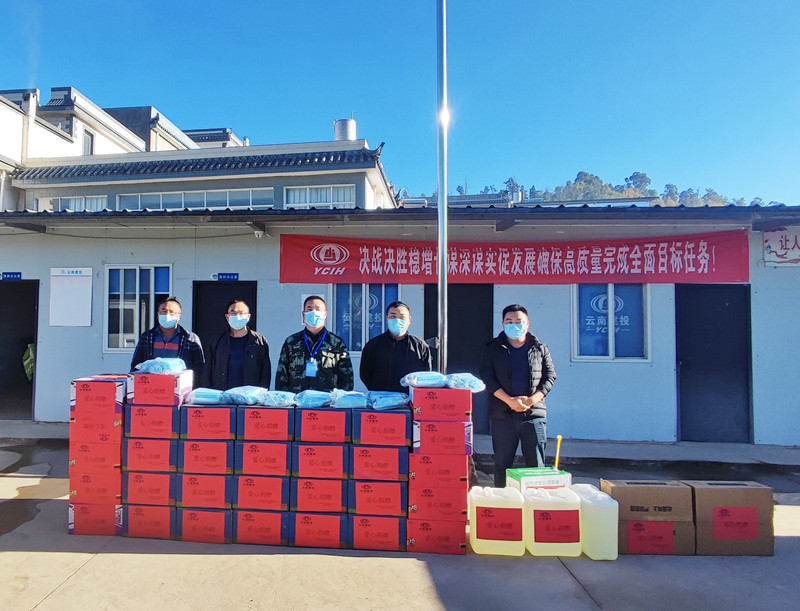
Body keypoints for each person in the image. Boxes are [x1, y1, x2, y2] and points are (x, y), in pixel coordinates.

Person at [479, 304, 556, 488]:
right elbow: (487, 377)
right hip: (503, 414)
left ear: (527, 324)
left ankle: (535, 504)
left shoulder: (540, 348)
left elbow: (550, 376)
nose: (514, 325)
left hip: (534, 415)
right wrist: (509, 401)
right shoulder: (493, 348)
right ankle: (503, 507)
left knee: (536, 466)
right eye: (509, 321)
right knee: (502, 465)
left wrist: (532, 400)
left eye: (518, 321)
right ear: (503, 324)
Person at [274, 295, 353, 393]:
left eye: (318, 309)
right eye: (309, 309)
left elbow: (346, 377)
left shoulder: (336, 343)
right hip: (297, 401)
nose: (314, 312)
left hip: (327, 402)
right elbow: (282, 374)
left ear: (325, 314)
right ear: (303, 315)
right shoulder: (291, 341)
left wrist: (340, 402)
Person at [130, 296, 205, 386]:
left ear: (179, 317)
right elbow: (136, 365)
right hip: (150, 388)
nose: (167, 315)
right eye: (164, 311)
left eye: (172, 312)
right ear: (158, 314)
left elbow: (199, 369)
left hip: (179, 389)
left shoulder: (191, 338)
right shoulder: (147, 337)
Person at [360, 300, 432, 393]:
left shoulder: (420, 345)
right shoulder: (373, 345)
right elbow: (365, 373)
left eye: (402, 317)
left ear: (409, 320)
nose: (398, 321)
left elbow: (426, 373)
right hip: (381, 400)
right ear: (387, 319)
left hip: (411, 400)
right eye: (393, 316)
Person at [201, 300, 271, 390]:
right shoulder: (217, 341)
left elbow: (265, 374)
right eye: (233, 313)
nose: (238, 317)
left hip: (249, 399)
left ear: (248, 317)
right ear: (227, 317)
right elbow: (207, 371)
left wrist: (260, 395)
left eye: (242, 313)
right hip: (221, 397)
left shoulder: (260, 341)